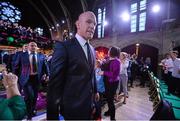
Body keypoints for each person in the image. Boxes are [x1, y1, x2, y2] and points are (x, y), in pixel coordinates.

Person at [47, 11, 99, 120]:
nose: (92, 26)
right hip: (72, 107)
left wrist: (95, 91)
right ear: (78, 24)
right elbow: (54, 85)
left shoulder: (92, 49)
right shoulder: (64, 47)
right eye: (89, 22)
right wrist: (52, 116)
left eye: (94, 24)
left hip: (89, 105)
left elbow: (91, 72)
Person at [12, 42, 49, 119]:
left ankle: (32, 110)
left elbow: (45, 66)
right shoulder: (21, 55)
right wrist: (15, 76)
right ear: (28, 47)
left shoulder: (41, 56)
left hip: (36, 79)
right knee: (29, 96)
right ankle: (29, 115)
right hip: (26, 79)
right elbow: (16, 66)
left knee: (35, 97)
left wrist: (48, 74)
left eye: (35, 45)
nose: (33, 47)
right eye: (32, 45)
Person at [98, 46, 120, 120]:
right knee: (108, 98)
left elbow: (114, 75)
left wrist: (104, 72)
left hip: (112, 83)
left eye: (109, 50)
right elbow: (105, 65)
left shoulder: (117, 61)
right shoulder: (109, 59)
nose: (108, 51)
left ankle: (113, 118)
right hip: (107, 82)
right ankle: (109, 111)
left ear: (112, 52)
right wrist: (101, 62)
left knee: (110, 100)